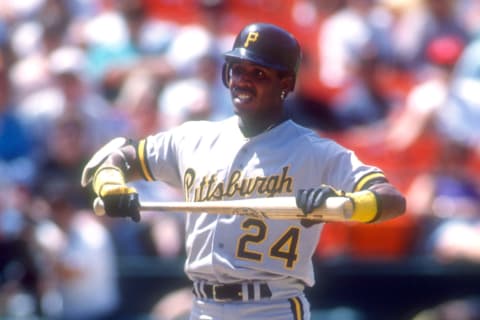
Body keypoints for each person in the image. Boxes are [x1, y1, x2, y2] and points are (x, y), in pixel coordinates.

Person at [81, 23, 406, 320]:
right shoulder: (193, 138)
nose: (243, 80)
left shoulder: (313, 150)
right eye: (237, 69)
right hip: (203, 307)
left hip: (272, 307)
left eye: (259, 73)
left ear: (286, 83)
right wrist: (111, 185)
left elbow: (391, 199)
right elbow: (120, 159)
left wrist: (345, 203)